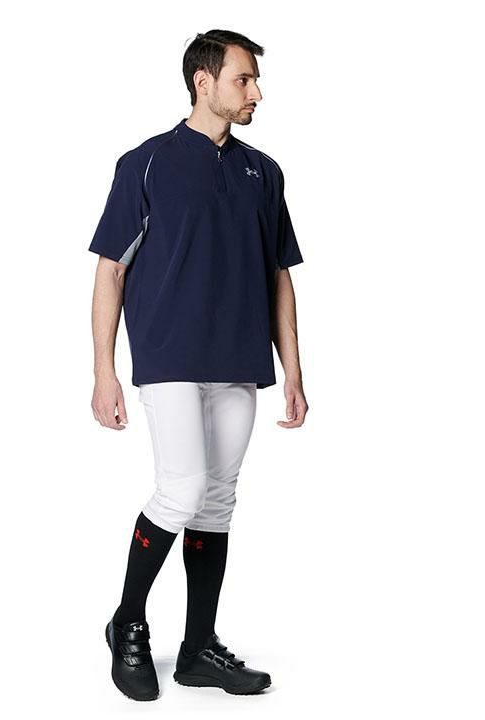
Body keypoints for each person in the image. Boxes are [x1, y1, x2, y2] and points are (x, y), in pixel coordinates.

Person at [88, 29, 308, 701]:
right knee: (181, 490)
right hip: (170, 355)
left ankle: (198, 647)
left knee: (217, 502)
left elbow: (279, 276)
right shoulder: (146, 163)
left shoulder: (263, 172)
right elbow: (110, 271)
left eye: (255, 80)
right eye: (244, 80)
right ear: (202, 83)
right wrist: (104, 371)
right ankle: (128, 623)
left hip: (239, 358)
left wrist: (294, 371)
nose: (256, 92)